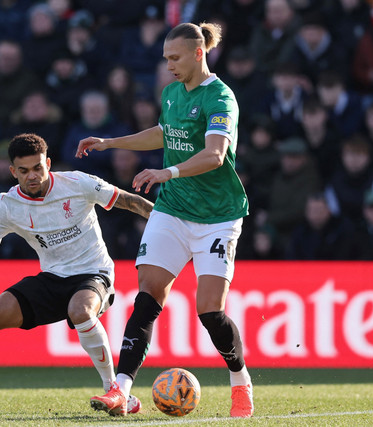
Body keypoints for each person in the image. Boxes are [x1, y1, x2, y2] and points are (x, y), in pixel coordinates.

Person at [76, 22, 254, 418]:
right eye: (164, 58)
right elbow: (163, 133)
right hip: (172, 209)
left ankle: (240, 378)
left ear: (197, 53)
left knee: (210, 311)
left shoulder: (220, 97)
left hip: (217, 217)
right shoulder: (172, 92)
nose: (168, 65)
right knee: (148, 293)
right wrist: (110, 142)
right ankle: (120, 390)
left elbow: (215, 155)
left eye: (174, 58)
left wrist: (166, 173)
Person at [0, 133, 153, 412]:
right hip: (52, 277)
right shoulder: (5, 206)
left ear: (48, 163)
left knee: (81, 310)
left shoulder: (78, 183)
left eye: (38, 168)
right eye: (24, 170)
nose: (32, 176)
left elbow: (132, 202)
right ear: (12, 172)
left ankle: (114, 392)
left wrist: (170, 227)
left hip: (93, 272)